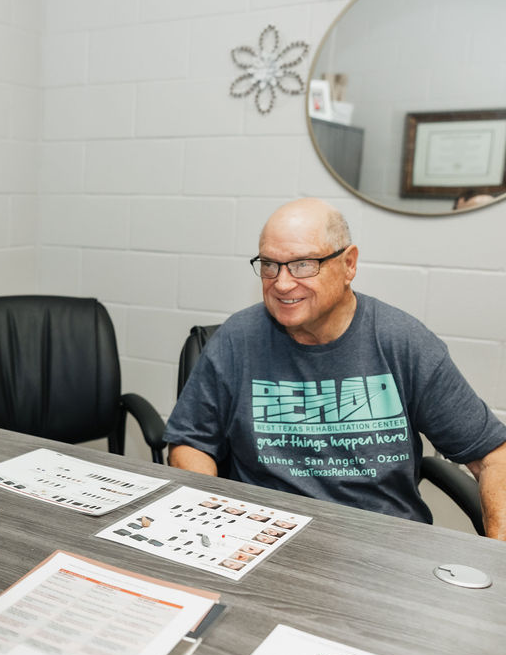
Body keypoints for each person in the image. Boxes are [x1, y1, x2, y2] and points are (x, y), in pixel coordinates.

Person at [166, 198, 506, 541]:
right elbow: (190, 444)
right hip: (264, 537)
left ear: (349, 264)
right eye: (270, 265)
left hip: (381, 544)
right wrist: (214, 524)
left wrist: (499, 561)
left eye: (302, 265)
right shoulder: (237, 339)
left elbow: (493, 456)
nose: (281, 283)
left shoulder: (402, 342)